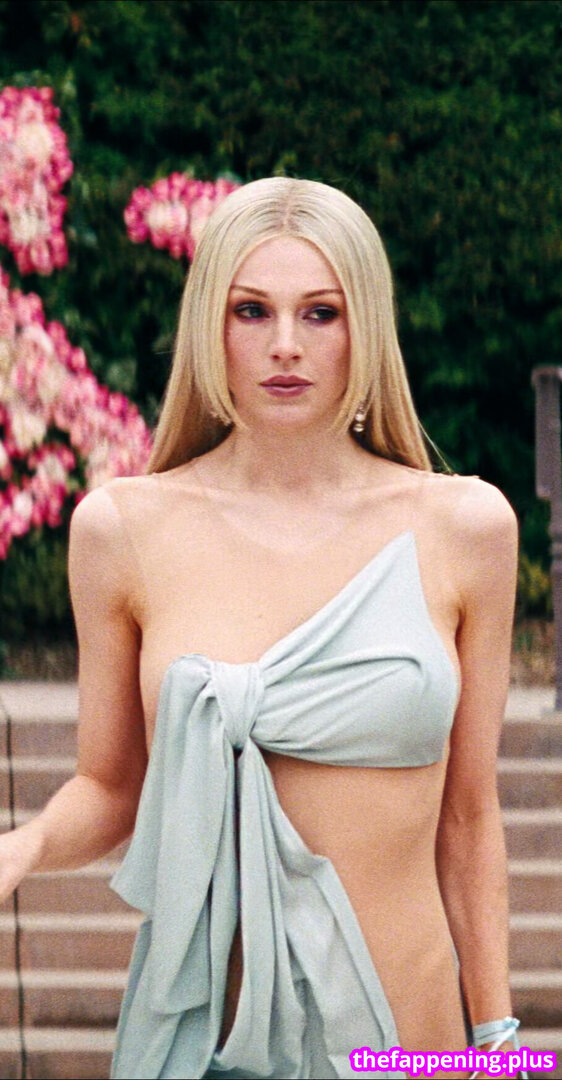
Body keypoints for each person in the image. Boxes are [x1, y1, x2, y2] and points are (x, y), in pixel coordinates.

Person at [0, 178, 521, 1080]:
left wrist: (499, 1046)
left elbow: (469, 819)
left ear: (366, 326)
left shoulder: (467, 528)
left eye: (321, 312)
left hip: (410, 1047)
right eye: (252, 311)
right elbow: (112, 785)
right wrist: (25, 845)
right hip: (209, 1045)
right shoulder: (123, 530)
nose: (286, 344)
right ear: (212, 324)